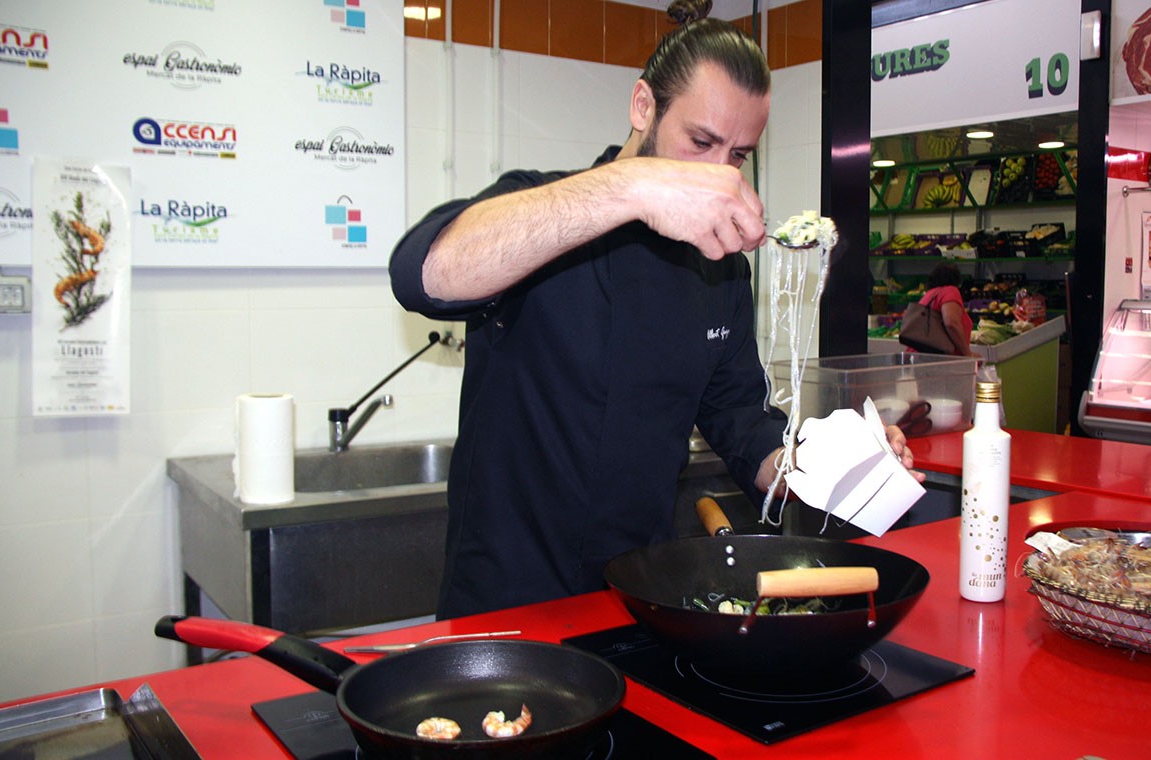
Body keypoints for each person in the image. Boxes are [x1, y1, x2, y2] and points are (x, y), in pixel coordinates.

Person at [390, 0, 920, 619]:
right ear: (643, 107)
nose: (718, 176)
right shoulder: (542, 209)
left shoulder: (719, 265)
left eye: (738, 155)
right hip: (505, 608)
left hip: (638, 598)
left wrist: (825, 463)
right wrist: (637, 188)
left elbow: (739, 420)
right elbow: (425, 274)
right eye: (700, 142)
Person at [918, 262, 973, 357]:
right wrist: (968, 354)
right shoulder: (949, 291)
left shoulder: (930, 294)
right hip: (939, 359)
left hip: (923, 356)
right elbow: (951, 323)